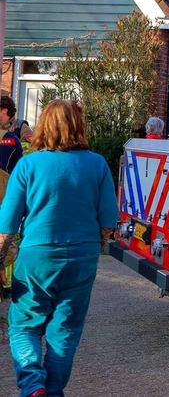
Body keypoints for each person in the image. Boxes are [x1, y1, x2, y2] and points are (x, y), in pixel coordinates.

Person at [0, 99, 118, 397]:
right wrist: (92, 249)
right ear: (78, 126)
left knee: (24, 325)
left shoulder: (28, 165)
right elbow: (108, 223)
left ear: (43, 126)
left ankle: (32, 385)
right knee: (65, 331)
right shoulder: (97, 163)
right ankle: (50, 392)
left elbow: (7, 226)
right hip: (82, 255)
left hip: (37, 256)